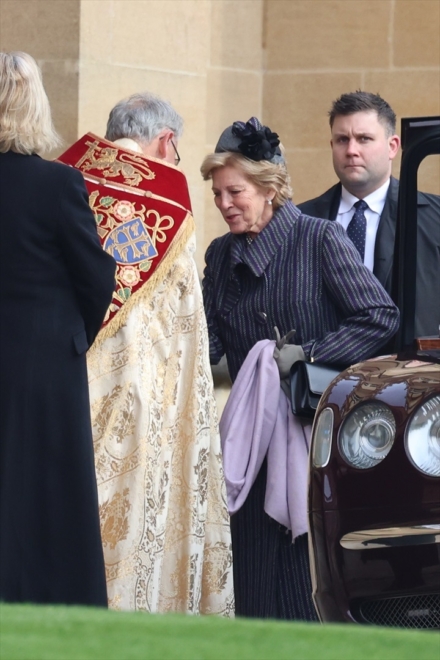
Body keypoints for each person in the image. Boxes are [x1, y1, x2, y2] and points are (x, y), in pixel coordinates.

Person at [201, 116, 400, 620]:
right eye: (217, 193)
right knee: (250, 575)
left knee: (298, 578)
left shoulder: (319, 239)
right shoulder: (221, 256)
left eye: (235, 192)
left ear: (269, 189)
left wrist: (309, 353)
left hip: (310, 435)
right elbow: (205, 344)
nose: (224, 205)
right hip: (249, 442)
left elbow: (380, 316)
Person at [58, 92, 234, 615]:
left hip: (64, 381)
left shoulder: (62, 176)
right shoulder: (168, 193)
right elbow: (185, 322)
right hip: (139, 391)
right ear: (166, 142)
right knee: (134, 521)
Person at [0, 52, 116, 606]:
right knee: (49, 493)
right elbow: (96, 276)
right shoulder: (57, 184)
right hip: (46, 362)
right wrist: (71, 335)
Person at [298, 91, 440, 338]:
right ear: (332, 146)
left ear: (392, 146)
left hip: (409, 370)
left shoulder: (435, 218)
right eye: (342, 140)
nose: (351, 150)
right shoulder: (299, 221)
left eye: (364, 139)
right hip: (321, 369)